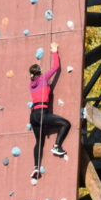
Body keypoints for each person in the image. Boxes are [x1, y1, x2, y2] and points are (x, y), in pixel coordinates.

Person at [27, 42, 70, 181]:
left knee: (39, 142)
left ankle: (35, 168)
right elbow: (56, 67)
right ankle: (57, 146)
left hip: (33, 115)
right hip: (41, 113)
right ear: (39, 72)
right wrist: (54, 51)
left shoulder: (31, 84)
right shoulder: (44, 79)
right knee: (65, 124)